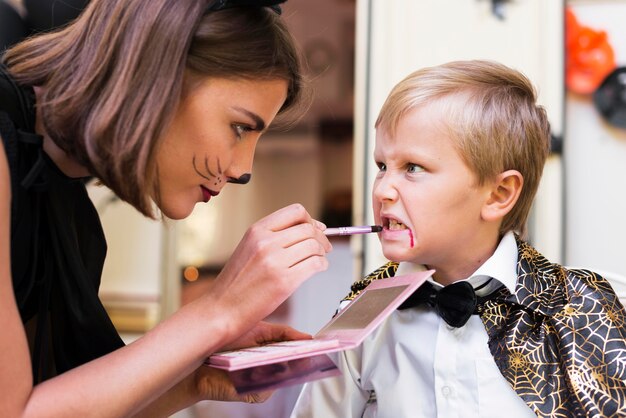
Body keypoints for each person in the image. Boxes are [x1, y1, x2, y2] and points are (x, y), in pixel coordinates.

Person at [0, 0, 334, 416]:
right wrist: (218, 312)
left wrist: (196, 379)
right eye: (239, 127)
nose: (241, 170)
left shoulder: (70, 216)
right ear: (157, 75)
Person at [291, 60, 626, 417]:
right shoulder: (359, 320)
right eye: (381, 166)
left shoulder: (602, 308)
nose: (383, 190)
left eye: (413, 168)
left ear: (499, 194)